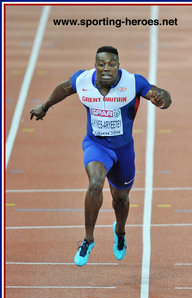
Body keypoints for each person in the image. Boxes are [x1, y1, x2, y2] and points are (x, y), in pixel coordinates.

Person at [30, 46, 172, 266]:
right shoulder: (83, 80)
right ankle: (88, 239)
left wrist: (164, 97)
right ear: (95, 65)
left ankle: (120, 231)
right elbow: (64, 88)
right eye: (102, 64)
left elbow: (157, 93)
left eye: (112, 64)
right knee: (95, 184)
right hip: (96, 145)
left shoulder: (133, 82)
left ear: (118, 66)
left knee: (121, 198)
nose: (107, 68)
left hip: (123, 150)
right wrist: (44, 106)